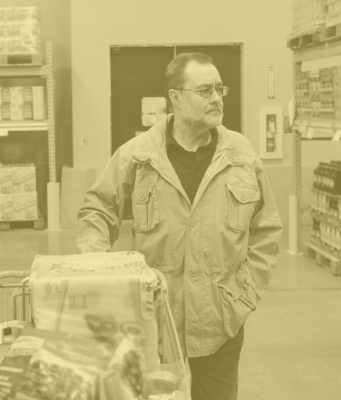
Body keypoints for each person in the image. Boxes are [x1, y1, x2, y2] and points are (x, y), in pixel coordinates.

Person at [76, 52, 282, 400]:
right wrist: (99, 269)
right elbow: (98, 208)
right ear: (175, 97)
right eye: (204, 90)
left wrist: (244, 294)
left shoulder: (241, 155)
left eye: (220, 88)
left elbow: (266, 227)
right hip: (153, 318)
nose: (216, 98)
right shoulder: (138, 155)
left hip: (220, 320)